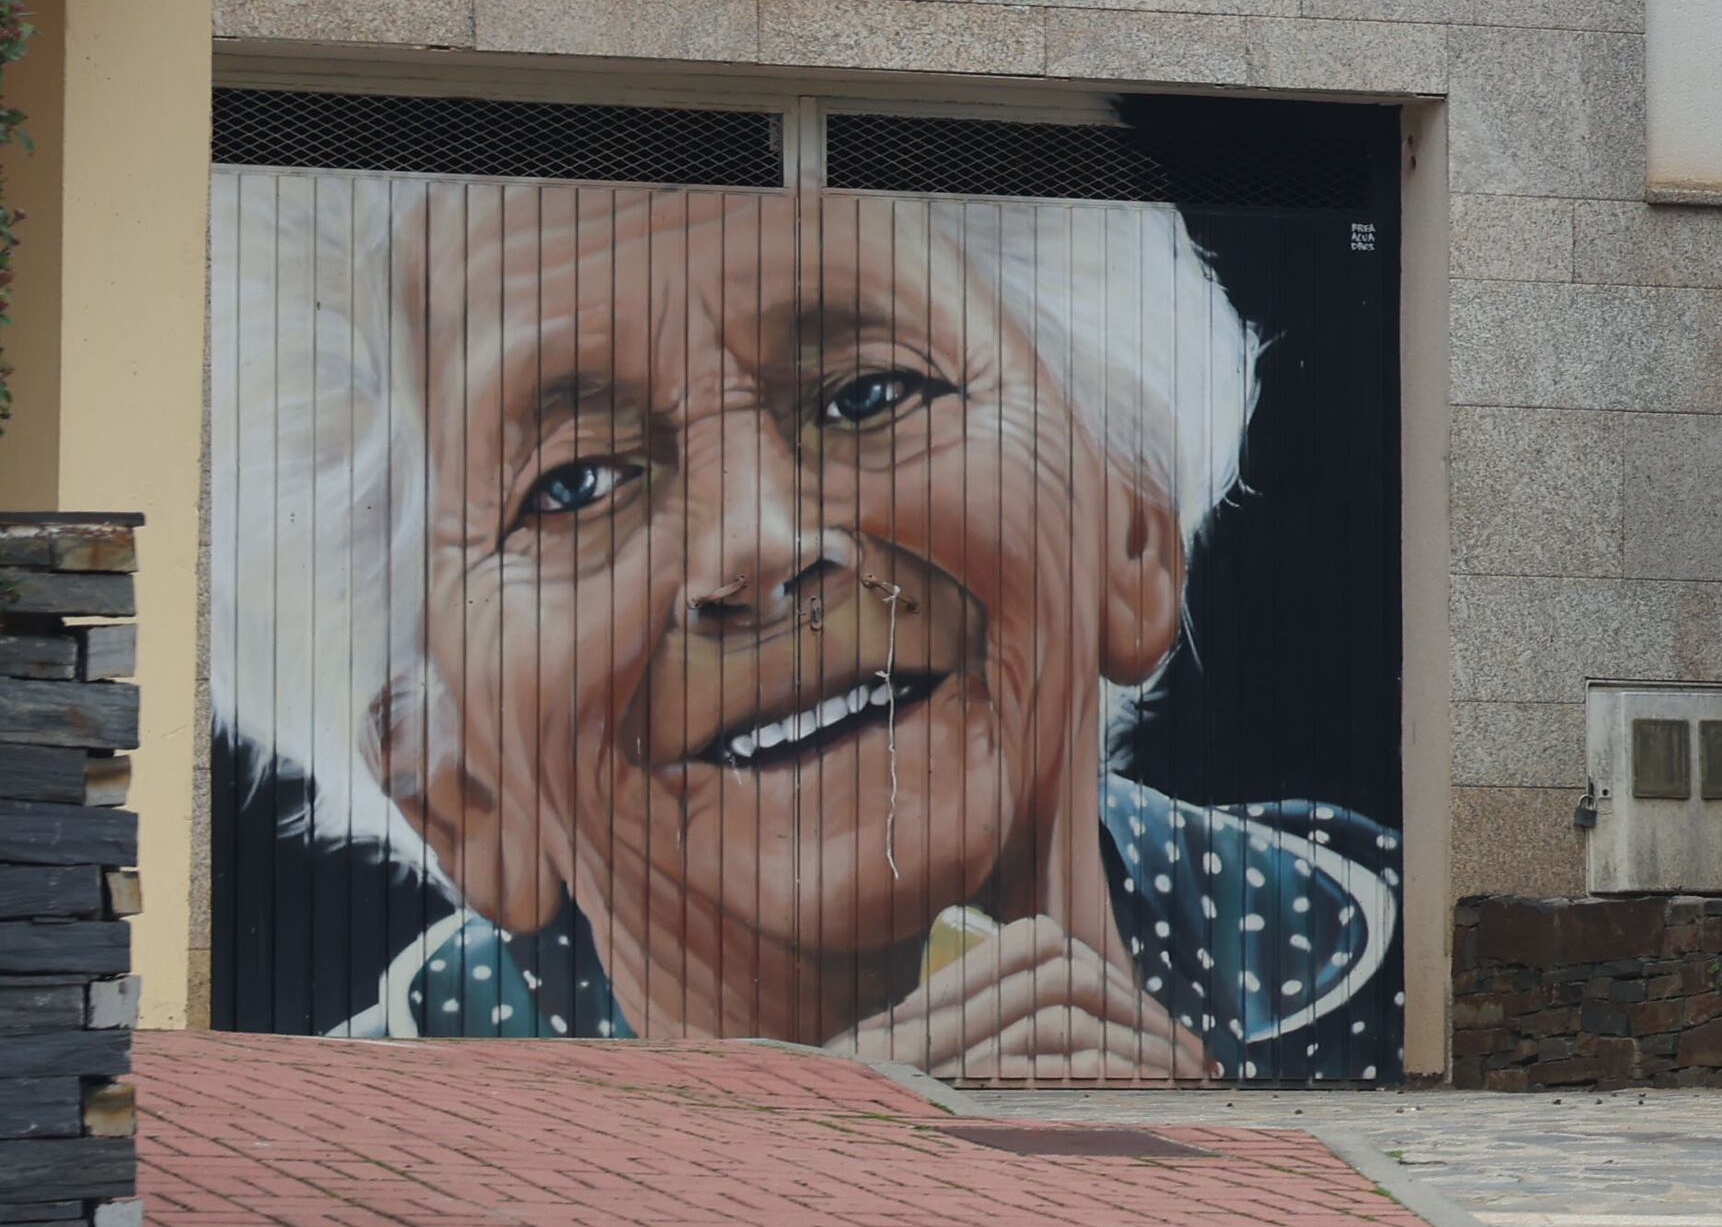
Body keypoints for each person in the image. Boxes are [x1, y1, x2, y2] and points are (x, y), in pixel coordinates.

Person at [211, 172, 1397, 1083]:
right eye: (573, 486)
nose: (762, 544)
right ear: (453, 789)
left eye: (869, 392)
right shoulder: (388, 1151)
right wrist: (809, 1151)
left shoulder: (1377, 981)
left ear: (1133, 537)